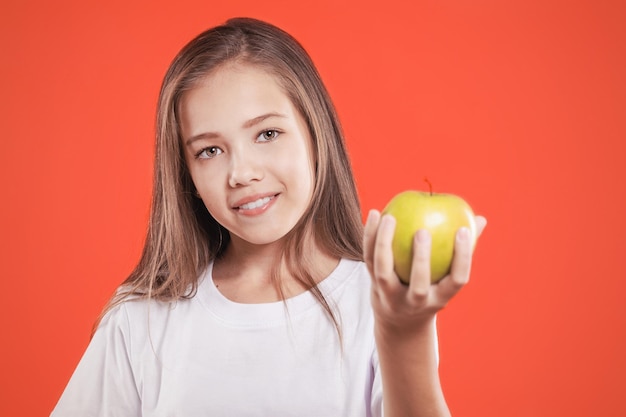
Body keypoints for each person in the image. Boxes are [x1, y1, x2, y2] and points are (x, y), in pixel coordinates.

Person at [51, 17, 486, 417]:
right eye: (210, 150)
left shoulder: (377, 303)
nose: (241, 173)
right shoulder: (142, 320)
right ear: (187, 173)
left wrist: (403, 333)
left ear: (316, 133)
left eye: (267, 133)